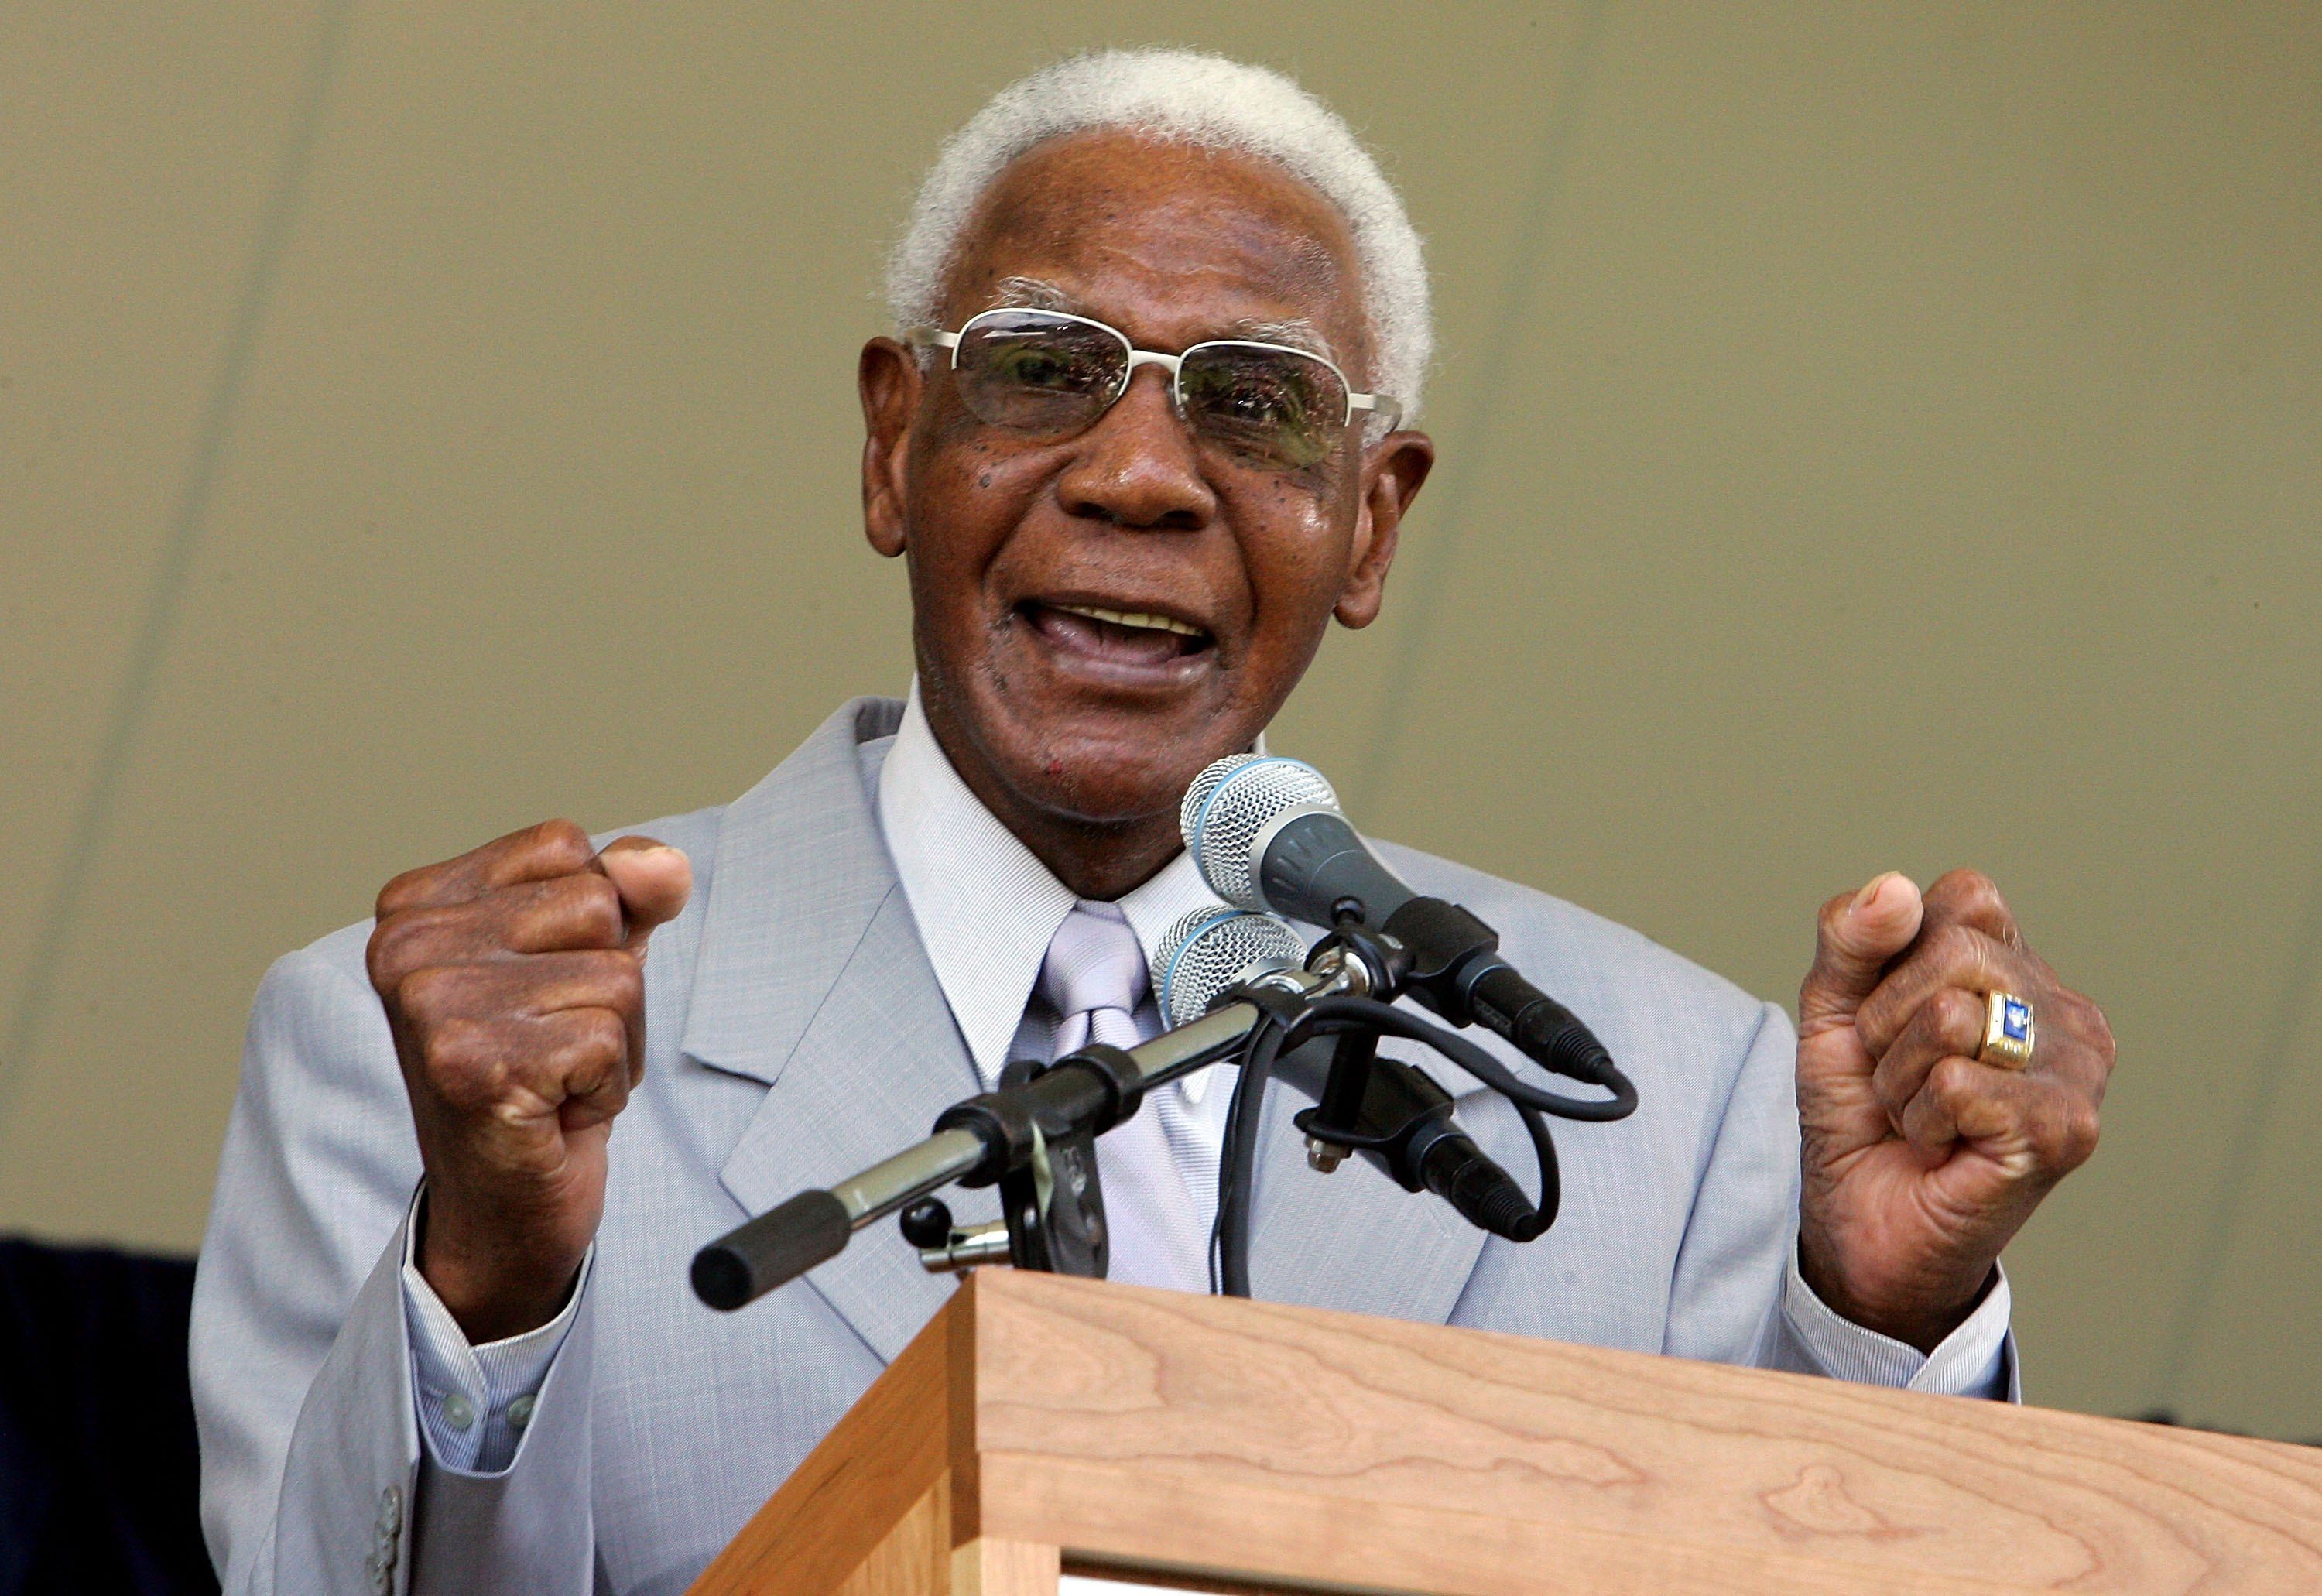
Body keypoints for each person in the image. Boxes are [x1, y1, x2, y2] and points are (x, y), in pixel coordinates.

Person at [190, 50, 2115, 1596]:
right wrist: (497, 1269)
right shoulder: (451, 1056)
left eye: (1257, 407)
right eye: (1044, 372)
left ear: (1370, 522)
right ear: (892, 445)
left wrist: (1886, 1314)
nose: (1136, 474)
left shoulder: (1684, 1112)